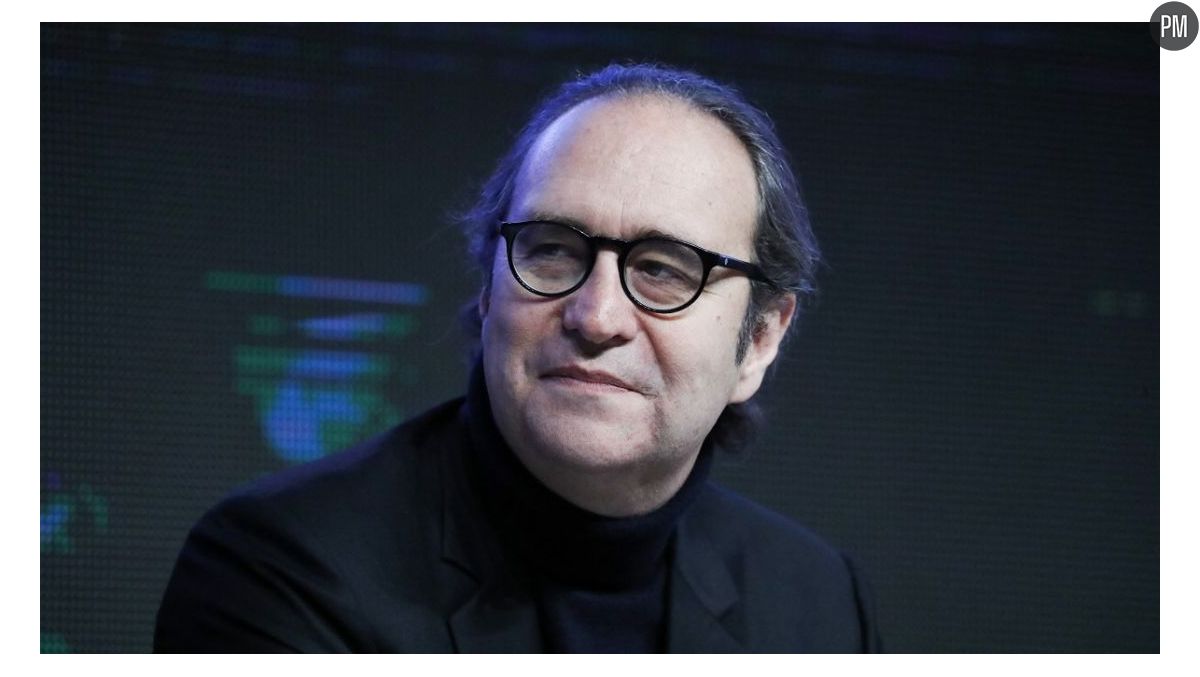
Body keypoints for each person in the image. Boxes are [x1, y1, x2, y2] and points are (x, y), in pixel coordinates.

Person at [154, 63, 882, 653]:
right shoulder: (281, 568)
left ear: (760, 340)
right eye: (553, 251)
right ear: (486, 290)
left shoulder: (818, 604)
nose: (596, 316)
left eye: (664, 269)